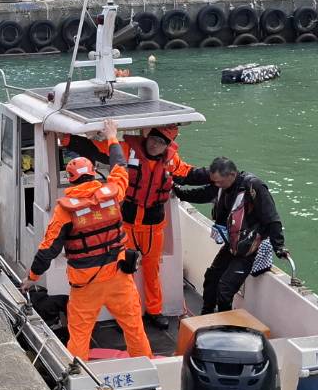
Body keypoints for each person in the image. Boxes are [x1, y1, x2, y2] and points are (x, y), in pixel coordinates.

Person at [26, 119, 153, 361]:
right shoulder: (114, 193)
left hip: (86, 284)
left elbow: (48, 250)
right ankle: (145, 368)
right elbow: (120, 166)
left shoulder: (65, 211)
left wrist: (31, 279)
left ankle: (78, 376)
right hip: (119, 277)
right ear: (94, 173)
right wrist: (112, 137)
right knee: (134, 328)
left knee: (80, 333)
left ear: (70, 179)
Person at [100, 125, 204, 329]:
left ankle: (154, 311)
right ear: (147, 137)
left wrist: (217, 175)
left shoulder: (171, 161)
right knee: (123, 269)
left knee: (152, 270)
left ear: (167, 146)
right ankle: (126, 314)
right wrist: (67, 139)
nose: (156, 144)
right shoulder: (126, 149)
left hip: (153, 225)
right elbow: (96, 148)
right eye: (154, 139)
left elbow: (189, 173)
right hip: (127, 222)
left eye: (162, 142)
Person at [176, 156, 287, 314]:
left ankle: (225, 323)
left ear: (232, 175)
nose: (216, 185)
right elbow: (202, 194)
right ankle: (206, 315)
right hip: (232, 245)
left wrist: (279, 246)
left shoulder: (254, 187)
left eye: (219, 182)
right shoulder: (221, 185)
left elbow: (272, 218)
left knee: (225, 289)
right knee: (211, 278)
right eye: (214, 182)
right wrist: (178, 192)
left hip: (251, 248)